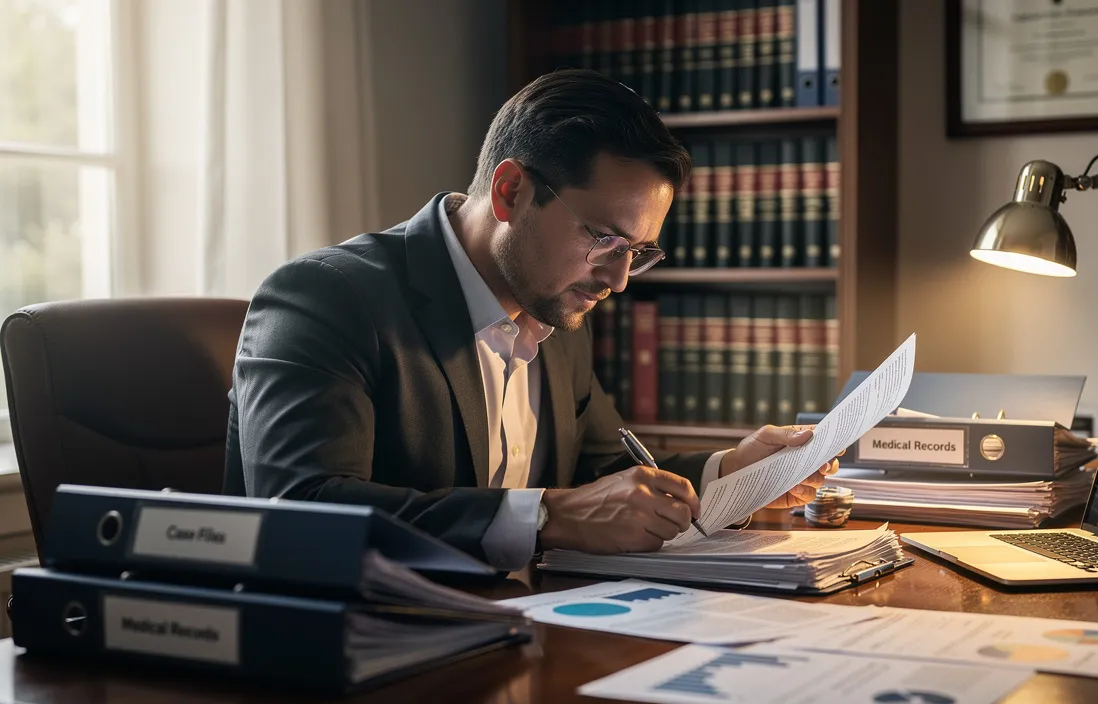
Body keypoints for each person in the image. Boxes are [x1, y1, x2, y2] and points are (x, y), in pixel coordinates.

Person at [223, 70, 840, 571]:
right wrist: (550, 517)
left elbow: (605, 473)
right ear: (511, 191)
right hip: (356, 668)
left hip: (519, 635)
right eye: (602, 238)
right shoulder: (324, 297)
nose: (619, 279)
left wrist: (730, 470)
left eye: (639, 252)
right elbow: (301, 511)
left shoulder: (558, 304)